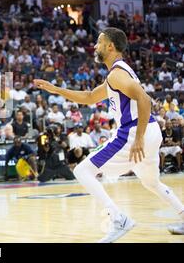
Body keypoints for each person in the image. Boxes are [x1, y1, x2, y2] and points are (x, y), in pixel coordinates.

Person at [34, 27, 184, 241]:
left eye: (99, 42)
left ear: (110, 46)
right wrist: (56, 89)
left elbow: (144, 100)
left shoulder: (117, 75)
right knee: (152, 183)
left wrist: (138, 138)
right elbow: (89, 97)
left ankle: (119, 218)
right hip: (150, 130)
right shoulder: (116, 74)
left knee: (83, 171)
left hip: (134, 132)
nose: (95, 46)